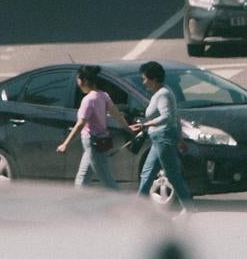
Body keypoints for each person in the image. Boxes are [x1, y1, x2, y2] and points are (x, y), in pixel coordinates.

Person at [130, 60, 194, 210]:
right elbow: (175, 116)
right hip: (159, 138)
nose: (143, 82)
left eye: (145, 78)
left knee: (173, 175)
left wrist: (144, 124)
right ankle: (139, 208)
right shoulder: (162, 92)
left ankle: (189, 208)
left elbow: (168, 117)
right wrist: (180, 139)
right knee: (147, 173)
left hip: (164, 138)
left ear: (154, 79)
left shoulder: (163, 94)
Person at [56, 65, 127, 190]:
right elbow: (116, 113)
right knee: (82, 178)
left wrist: (65, 144)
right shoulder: (103, 96)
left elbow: (80, 124)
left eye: (78, 79)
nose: (78, 83)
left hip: (93, 142)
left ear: (84, 81)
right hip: (101, 141)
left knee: (107, 179)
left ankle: (121, 206)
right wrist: (128, 128)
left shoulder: (88, 100)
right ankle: (76, 205)